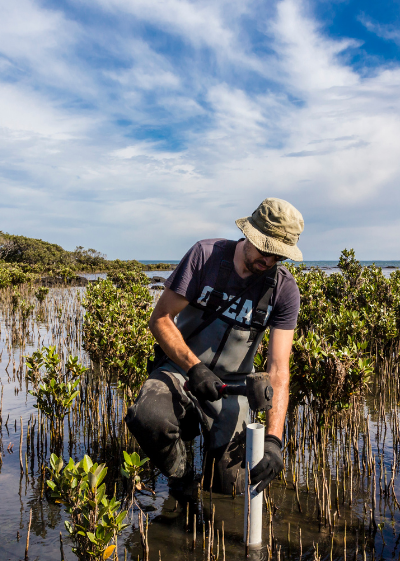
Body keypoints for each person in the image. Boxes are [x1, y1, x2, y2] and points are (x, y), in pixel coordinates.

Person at [127, 198, 304, 501]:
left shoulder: (284, 290)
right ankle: (181, 484)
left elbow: (278, 370)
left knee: (229, 490)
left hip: (234, 389)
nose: (269, 262)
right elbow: (161, 319)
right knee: (147, 418)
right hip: (180, 371)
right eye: (265, 250)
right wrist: (194, 367)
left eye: (279, 256)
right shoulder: (205, 256)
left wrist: (274, 440)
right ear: (250, 234)